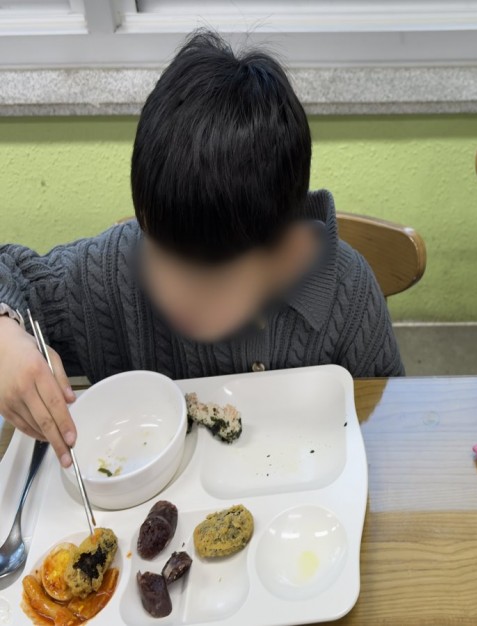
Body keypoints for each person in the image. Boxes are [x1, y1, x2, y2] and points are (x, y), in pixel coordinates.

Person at [0, 31, 403, 467]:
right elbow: (11, 272)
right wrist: (5, 335)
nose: (172, 290)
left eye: (208, 279)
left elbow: (390, 422)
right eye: (160, 252)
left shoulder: (347, 295)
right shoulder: (113, 275)